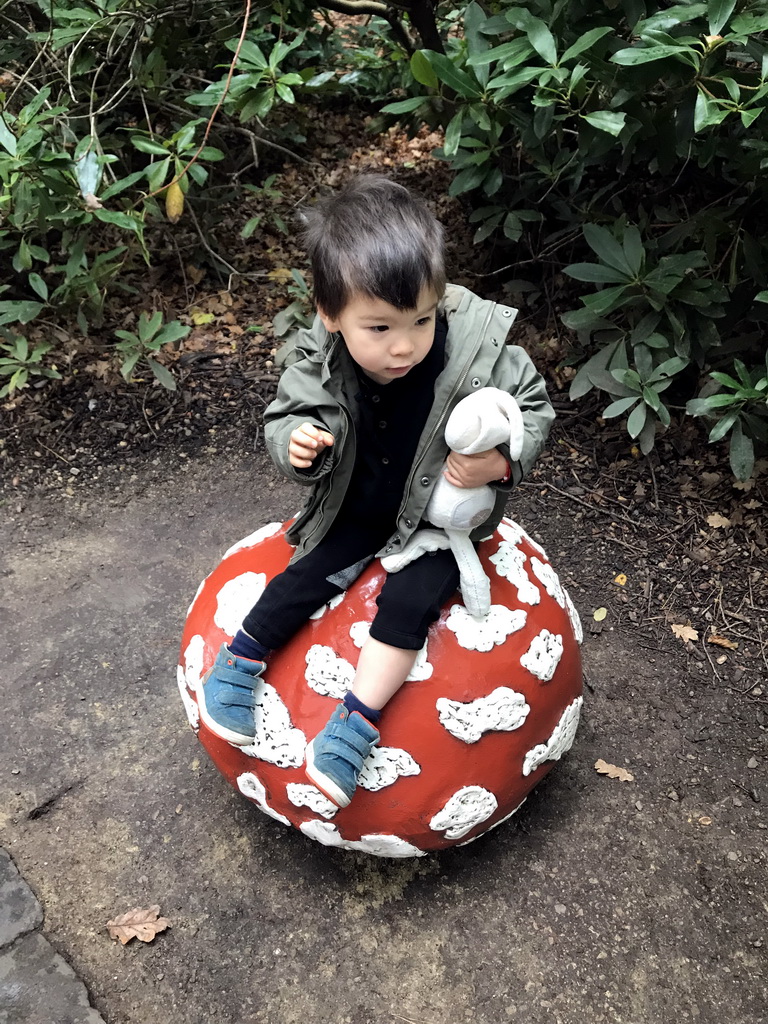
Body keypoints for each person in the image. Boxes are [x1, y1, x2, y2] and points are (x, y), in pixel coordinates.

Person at [197, 174, 555, 808]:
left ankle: (354, 723)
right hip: (359, 503)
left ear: (440, 296)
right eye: (381, 328)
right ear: (330, 314)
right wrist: (299, 444)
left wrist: (501, 463)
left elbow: (533, 408)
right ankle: (239, 662)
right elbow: (287, 414)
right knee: (308, 570)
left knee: (408, 608)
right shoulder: (320, 352)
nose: (405, 345)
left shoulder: (479, 346)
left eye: (422, 319)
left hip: (440, 524)